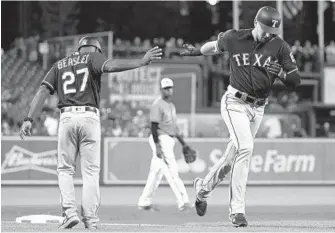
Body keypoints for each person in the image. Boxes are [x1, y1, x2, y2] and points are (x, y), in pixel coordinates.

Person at [19, 37, 162, 229]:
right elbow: (111, 66)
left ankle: (69, 213)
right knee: (91, 173)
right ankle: (91, 220)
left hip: (67, 117)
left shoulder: (59, 64)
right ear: (95, 49)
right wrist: (141, 61)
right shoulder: (93, 57)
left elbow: (43, 91)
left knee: (65, 170)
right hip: (90, 117)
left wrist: (29, 119)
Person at [180, 6, 300, 227]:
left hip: (258, 108)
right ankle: (237, 211)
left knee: (230, 159)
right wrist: (197, 51)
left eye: (271, 31)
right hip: (234, 102)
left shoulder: (279, 46)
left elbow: (295, 80)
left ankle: (202, 189)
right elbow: (214, 47)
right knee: (246, 148)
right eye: (265, 29)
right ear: (256, 22)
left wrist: (281, 74)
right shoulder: (235, 37)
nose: (268, 34)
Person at [137, 78, 191, 211]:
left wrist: (183, 143)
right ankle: (183, 201)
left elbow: (174, 128)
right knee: (172, 171)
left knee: (156, 172)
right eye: (166, 88)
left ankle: (144, 201)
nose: (168, 90)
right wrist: (157, 146)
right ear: (161, 89)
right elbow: (153, 127)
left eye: (170, 87)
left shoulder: (171, 106)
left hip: (169, 139)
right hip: (161, 139)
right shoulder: (158, 104)